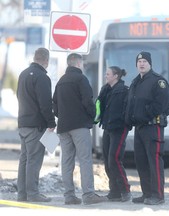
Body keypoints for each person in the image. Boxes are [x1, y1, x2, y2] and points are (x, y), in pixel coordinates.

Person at [52, 53, 107, 205]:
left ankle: (69, 196)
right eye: (81, 63)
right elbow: (88, 102)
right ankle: (88, 194)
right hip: (79, 126)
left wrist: (63, 116)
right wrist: (92, 117)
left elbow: (54, 105)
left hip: (63, 127)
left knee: (67, 161)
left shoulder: (61, 81)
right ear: (78, 63)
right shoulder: (81, 79)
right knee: (85, 159)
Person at [125, 51, 169, 205]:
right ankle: (147, 194)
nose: (142, 64)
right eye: (139, 62)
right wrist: (129, 119)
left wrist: (144, 115)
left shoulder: (158, 81)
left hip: (153, 126)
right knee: (142, 162)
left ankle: (158, 196)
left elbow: (162, 104)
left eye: (145, 61)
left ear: (150, 63)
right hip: (139, 128)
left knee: (154, 161)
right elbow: (131, 104)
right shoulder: (135, 82)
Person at [17, 47, 56, 202]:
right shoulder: (42, 77)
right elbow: (45, 103)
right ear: (46, 60)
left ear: (35, 58)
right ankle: (33, 194)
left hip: (23, 123)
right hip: (35, 126)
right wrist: (51, 122)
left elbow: (19, 96)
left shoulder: (23, 74)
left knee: (24, 159)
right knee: (34, 159)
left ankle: (22, 194)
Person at [96, 66, 131, 202]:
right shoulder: (106, 89)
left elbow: (128, 108)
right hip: (107, 127)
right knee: (107, 160)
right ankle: (115, 191)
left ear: (116, 76)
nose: (106, 76)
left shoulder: (123, 90)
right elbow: (100, 105)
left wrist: (125, 123)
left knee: (114, 159)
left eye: (108, 74)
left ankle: (125, 190)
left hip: (119, 128)